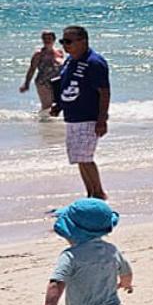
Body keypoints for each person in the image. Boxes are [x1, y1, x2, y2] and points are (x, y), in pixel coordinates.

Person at [48, 26, 110, 200]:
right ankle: (90, 193)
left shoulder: (94, 62)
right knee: (78, 157)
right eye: (63, 41)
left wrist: (102, 119)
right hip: (72, 118)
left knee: (85, 157)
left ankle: (99, 193)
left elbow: (104, 92)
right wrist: (59, 105)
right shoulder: (70, 61)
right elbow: (65, 84)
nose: (65, 45)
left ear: (83, 41)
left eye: (69, 41)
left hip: (88, 117)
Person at [20, 30, 63, 118]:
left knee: (58, 104)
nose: (47, 40)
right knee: (47, 106)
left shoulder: (59, 52)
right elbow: (32, 69)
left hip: (56, 82)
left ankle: (48, 120)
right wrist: (26, 84)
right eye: (45, 38)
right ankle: (43, 122)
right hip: (43, 82)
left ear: (54, 39)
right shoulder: (39, 54)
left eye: (49, 38)